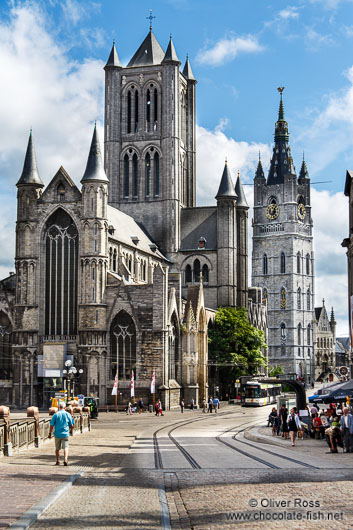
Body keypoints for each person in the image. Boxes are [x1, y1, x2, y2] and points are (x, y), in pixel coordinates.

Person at [49, 401, 74, 466]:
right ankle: (65, 459)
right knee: (65, 447)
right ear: (65, 407)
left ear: (58, 407)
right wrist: (71, 430)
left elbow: (51, 425)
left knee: (57, 449)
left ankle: (58, 461)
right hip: (65, 433)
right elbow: (71, 424)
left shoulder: (56, 414)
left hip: (57, 434)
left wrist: (50, 433)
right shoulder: (68, 414)